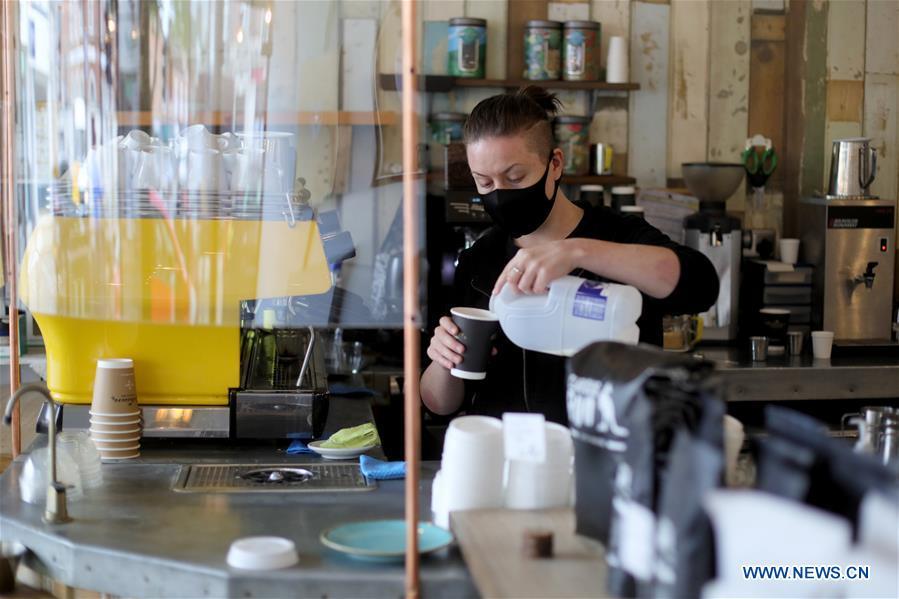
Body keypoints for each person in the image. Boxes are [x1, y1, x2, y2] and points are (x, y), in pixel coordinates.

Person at [420, 87, 719, 424]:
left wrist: (577, 250)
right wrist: (443, 359)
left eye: (515, 177)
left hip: (602, 450)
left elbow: (701, 285)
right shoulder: (479, 262)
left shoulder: (617, 234)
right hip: (505, 451)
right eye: (485, 183)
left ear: (555, 164)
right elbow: (439, 405)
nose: (500, 194)